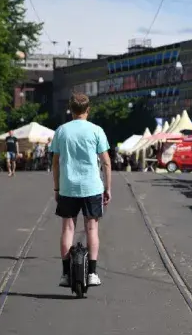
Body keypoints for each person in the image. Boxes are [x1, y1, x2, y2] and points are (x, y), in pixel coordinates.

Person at [52, 93, 111, 287]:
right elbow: (106, 163)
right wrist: (107, 188)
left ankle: (65, 275)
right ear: (88, 109)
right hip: (92, 187)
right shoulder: (97, 130)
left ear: (71, 109)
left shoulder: (61, 131)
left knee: (67, 229)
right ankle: (93, 273)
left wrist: (57, 187)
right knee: (91, 229)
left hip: (68, 187)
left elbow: (55, 163)